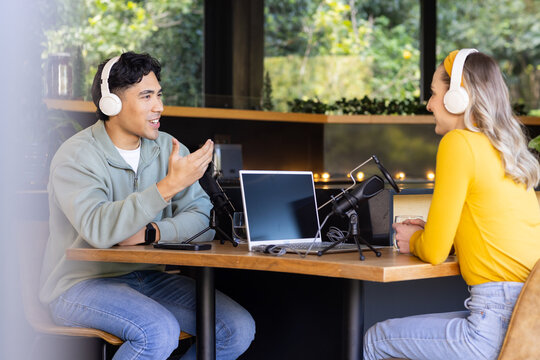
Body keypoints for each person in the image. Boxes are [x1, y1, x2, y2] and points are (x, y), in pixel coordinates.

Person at [40, 51, 255, 360]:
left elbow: (204, 221)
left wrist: (152, 232)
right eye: (146, 96)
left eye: (159, 95)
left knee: (236, 328)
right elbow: (100, 229)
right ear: (110, 102)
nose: (159, 106)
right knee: (157, 331)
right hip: (80, 283)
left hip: (148, 278)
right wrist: (168, 186)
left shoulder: (167, 146)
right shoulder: (76, 156)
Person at [363, 49, 540, 360]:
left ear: (458, 97)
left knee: (377, 339)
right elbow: (490, 230)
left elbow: (433, 251)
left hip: (493, 322)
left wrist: (414, 239)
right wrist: (431, 231)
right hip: (527, 319)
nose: (430, 104)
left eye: (434, 93)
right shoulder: (507, 149)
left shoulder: (458, 144)